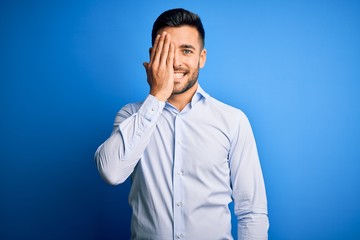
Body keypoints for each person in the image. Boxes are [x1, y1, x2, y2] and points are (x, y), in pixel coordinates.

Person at [95, 8, 269, 240]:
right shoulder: (130, 116)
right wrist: (157, 96)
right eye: (165, 51)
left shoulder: (233, 121)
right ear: (152, 55)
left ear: (202, 57)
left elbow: (251, 212)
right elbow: (111, 173)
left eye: (186, 50)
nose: (175, 61)